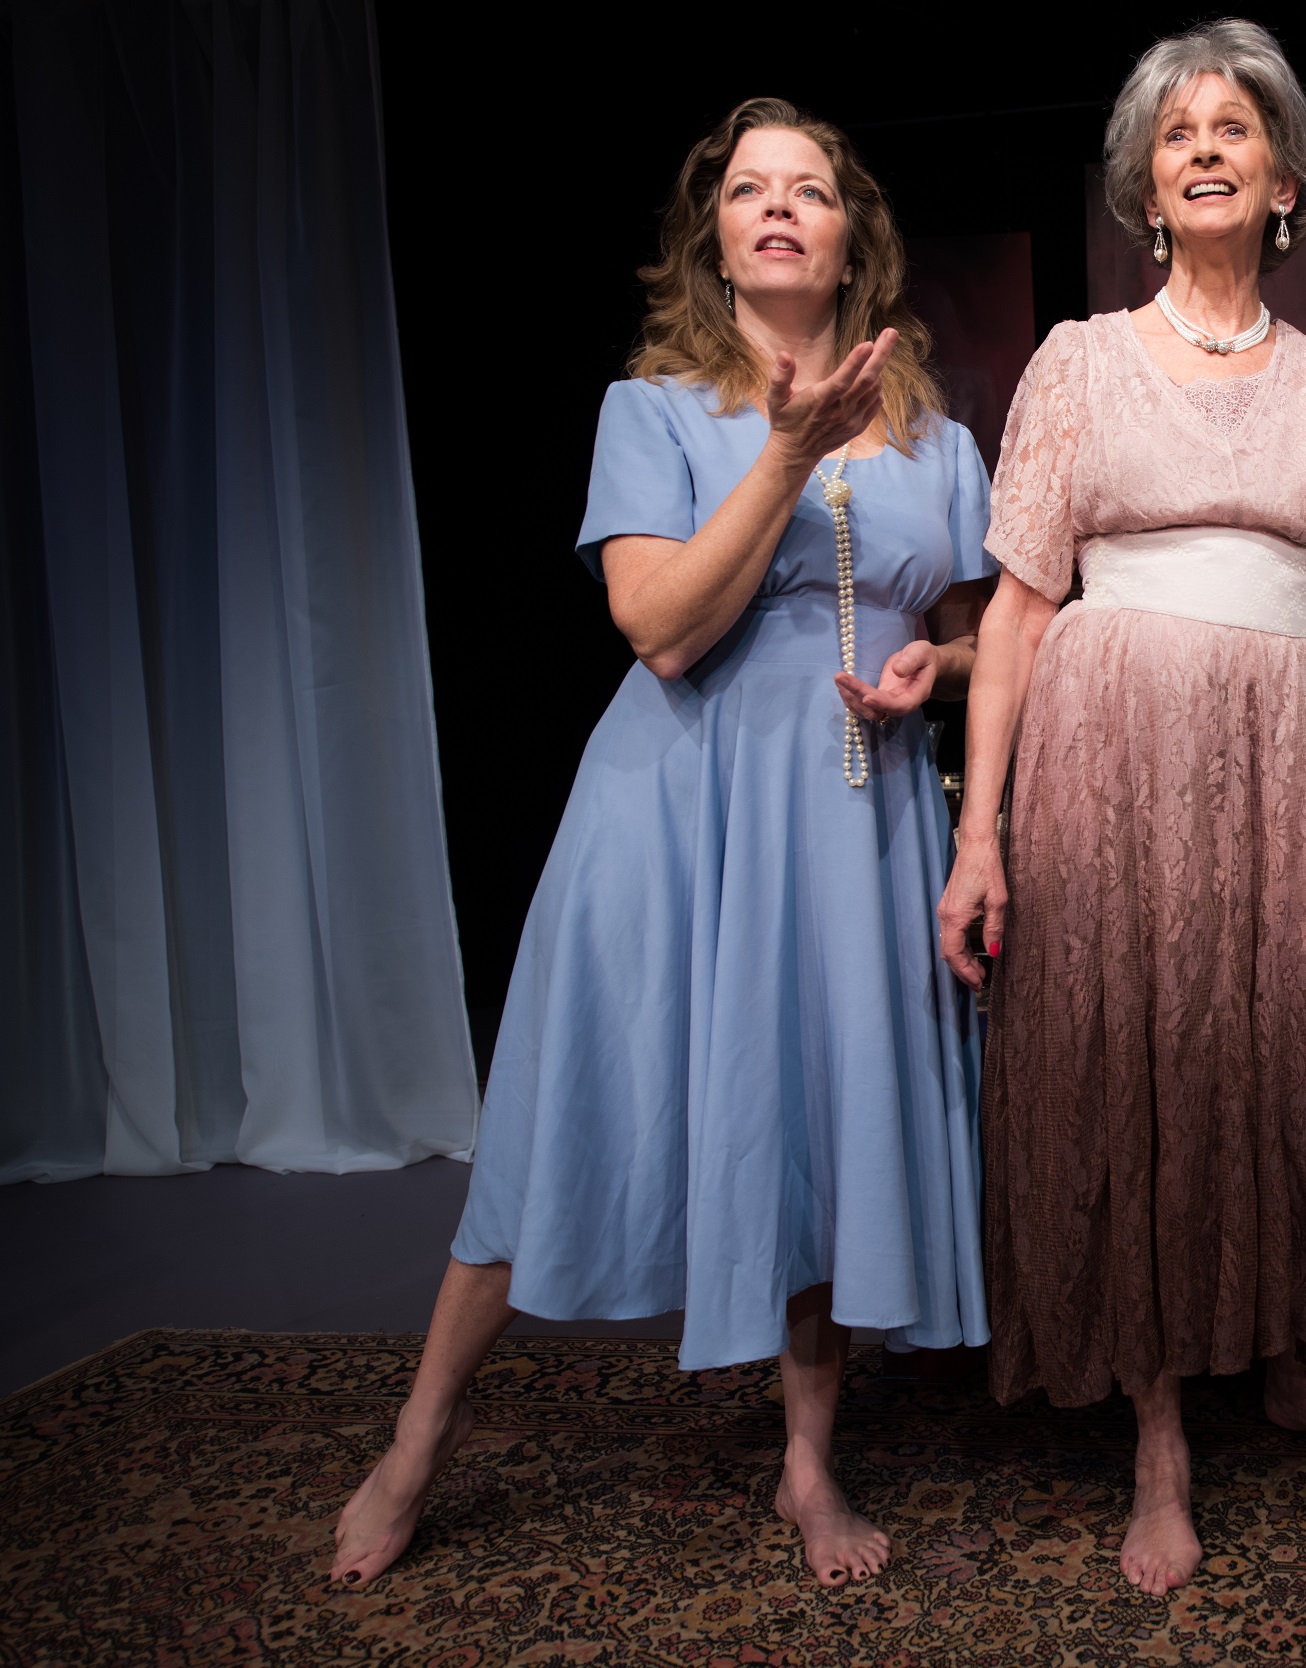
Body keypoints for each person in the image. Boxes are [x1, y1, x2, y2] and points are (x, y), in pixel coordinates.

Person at [328, 98, 993, 1590]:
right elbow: (659, 631)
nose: (776, 208)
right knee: (563, 1110)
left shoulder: (939, 437)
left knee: (815, 1133)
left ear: (849, 237)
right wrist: (783, 452)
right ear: (715, 233)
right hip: (671, 814)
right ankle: (417, 1440)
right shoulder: (653, 408)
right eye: (747, 189)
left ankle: (808, 1468)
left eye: (808, 190)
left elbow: (971, 639)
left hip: (853, 821)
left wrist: (928, 677)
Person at [935, 18, 1306, 1597]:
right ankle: (1162, 1431)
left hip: (1288, 745)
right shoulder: (1079, 361)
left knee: (1295, 1052)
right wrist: (982, 837)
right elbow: (1021, 614)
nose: (1207, 146)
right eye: (1179, 133)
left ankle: (1298, 1367)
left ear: (1286, 176)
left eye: (1237, 125)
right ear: (1146, 188)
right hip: (1110, 746)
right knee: (1140, 1065)